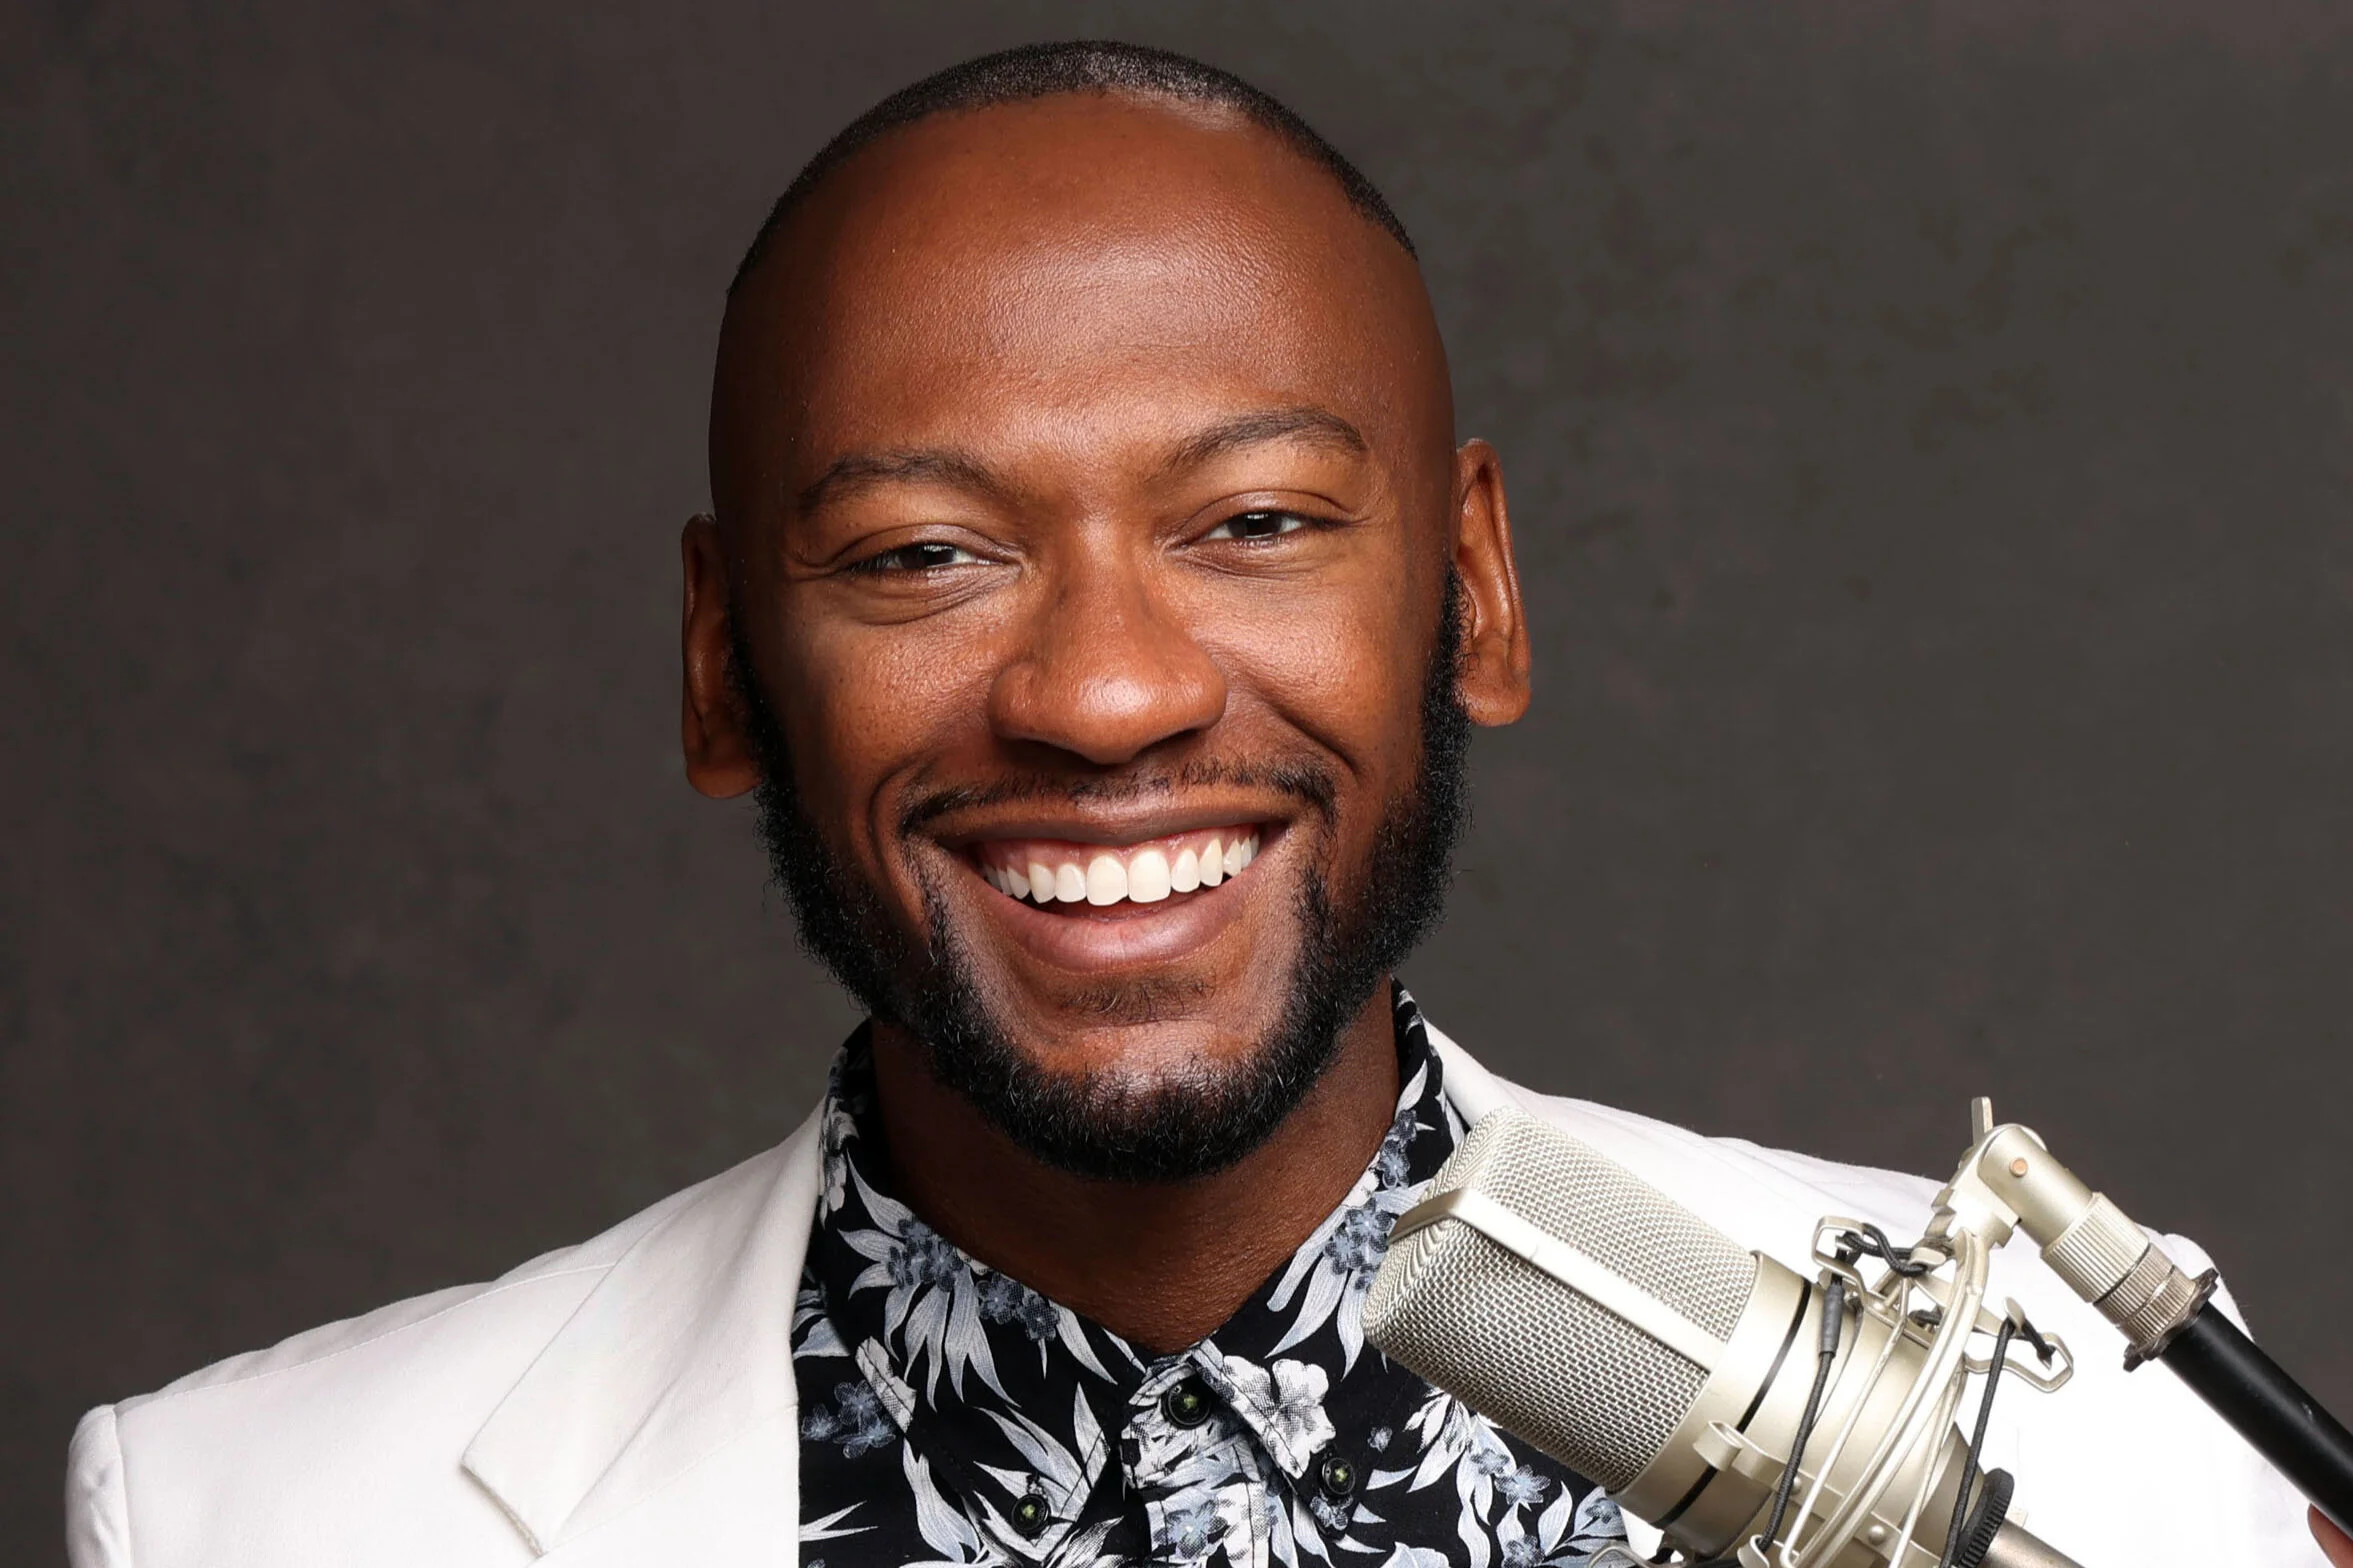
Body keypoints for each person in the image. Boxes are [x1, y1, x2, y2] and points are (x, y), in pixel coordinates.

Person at [64, 41, 2334, 1568]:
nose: (1106, 691)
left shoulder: (2118, 1447)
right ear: (722, 664)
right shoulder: (244, 1521)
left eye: (1253, 524)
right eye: (922, 554)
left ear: (1475, 594)